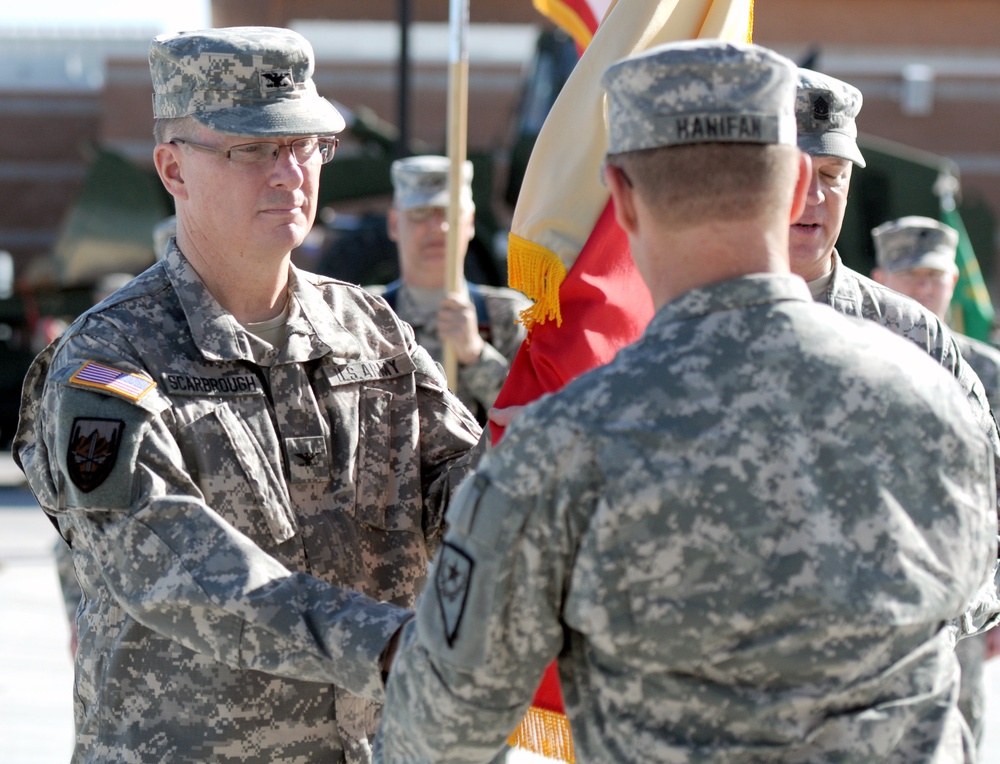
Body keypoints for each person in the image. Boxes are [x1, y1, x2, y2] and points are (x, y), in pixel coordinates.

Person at [373, 40, 999, 763]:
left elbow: (437, 730)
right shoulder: (932, 400)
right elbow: (976, 568)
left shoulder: (562, 446)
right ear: (795, 188)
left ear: (622, 198)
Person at [14, 26, 483, 763]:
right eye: (252, 148)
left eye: (307, 146)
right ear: (173, 169)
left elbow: (465, 485)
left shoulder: (371, 330)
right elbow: (173, 565)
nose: (289, 173)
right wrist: (386, 641)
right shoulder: (107, 358)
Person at [790, 68, 1000, 645]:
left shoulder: (911, 334)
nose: (815, 197)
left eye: (832, 175)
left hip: (888, 701)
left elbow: (987, 498)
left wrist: (938, 623)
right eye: (796, 174)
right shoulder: (690, 324)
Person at [871, 214, 1000, 745]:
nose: (925, 287)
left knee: (959, 727)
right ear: (880, 279)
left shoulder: (987, 371)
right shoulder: (855, 359)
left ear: (954, 282)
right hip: (871, 587)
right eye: (911, 275)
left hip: (959, 591)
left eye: (935, 276)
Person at [367, 156, 531, 423]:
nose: (438, 227)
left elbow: (539, 417)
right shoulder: (366, 315)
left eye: (450, 214)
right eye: (420, 213)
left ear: (470, 223)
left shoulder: (510, 317)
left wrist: (476, 355)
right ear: (395, 223)